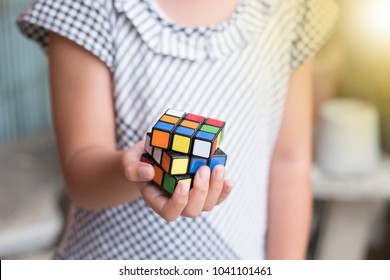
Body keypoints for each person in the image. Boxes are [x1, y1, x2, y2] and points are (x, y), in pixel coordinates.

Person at [18, 0, 338, 259]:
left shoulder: (291, 9)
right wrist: (135, 168)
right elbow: (80, 176)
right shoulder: (87, 7)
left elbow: (289, 162)